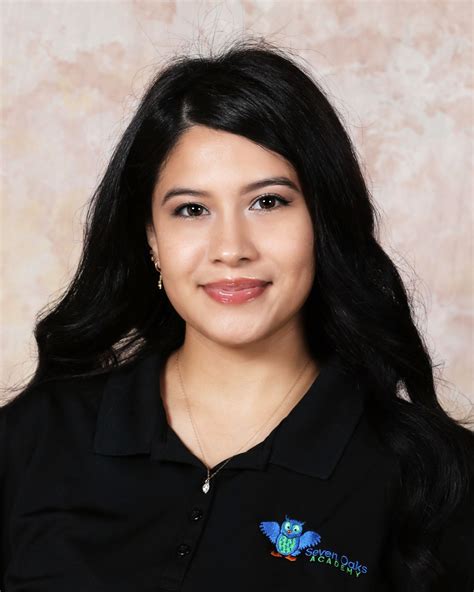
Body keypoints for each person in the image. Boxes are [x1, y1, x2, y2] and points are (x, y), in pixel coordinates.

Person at [1, 36, 473, 592]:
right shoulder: (37, 434)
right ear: (151, 238)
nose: (231, 248)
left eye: (268, 202)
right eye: (191, 209)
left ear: (323, 220)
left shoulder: (435, 476)